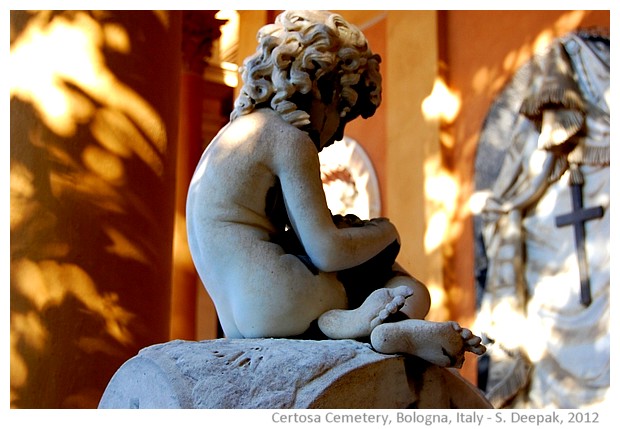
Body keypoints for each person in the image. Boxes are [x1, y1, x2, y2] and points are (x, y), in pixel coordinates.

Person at [187, 10, 484, 367]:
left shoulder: (232, 139)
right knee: (404, 283)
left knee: (349, 278)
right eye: (343, 111)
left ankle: (344, 322)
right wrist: (386, 233)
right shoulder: (289, 138)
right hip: (283, 292)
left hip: (242, 318)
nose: (340, 132)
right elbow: (326, 250)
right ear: (321, 86)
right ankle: (386, 325)